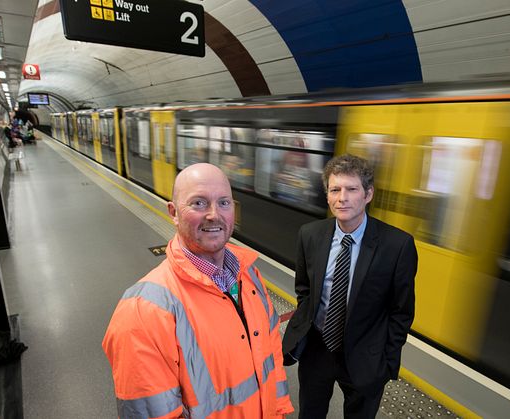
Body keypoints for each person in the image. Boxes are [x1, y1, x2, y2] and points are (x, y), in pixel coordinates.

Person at [102, 163, 294, 418]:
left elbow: (271, 357)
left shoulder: (250, 276)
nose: (214, 214)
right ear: (173, 212)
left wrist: (278, 412)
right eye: (199, 203)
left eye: (224, 203)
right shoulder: (142, 312)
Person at [282, 154, 418, 418]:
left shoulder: (397, 246)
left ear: (368, 194)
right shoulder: (310, 235)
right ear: (328, 195)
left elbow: (401, 310)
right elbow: (304, 290)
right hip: (317, 349)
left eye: (351, 189)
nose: (342, 197)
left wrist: (387, 360)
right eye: (335, 189)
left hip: (366, 356)